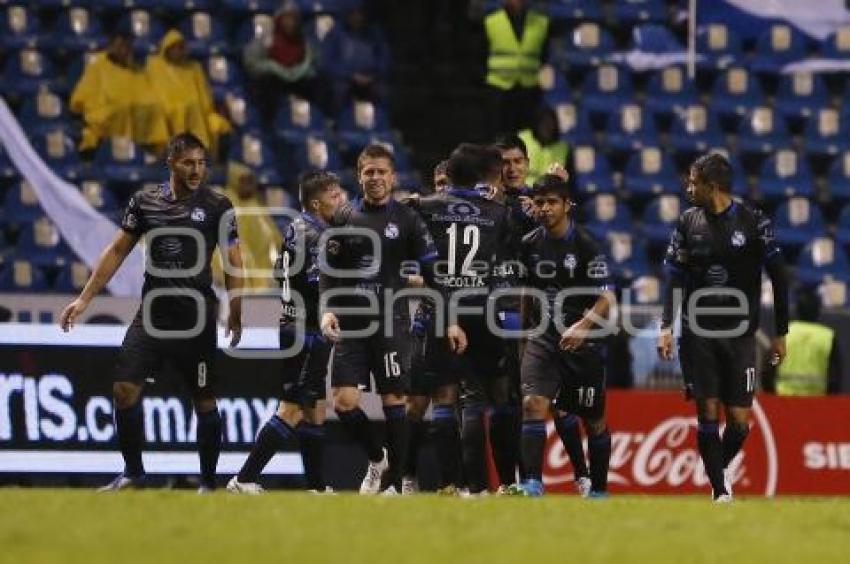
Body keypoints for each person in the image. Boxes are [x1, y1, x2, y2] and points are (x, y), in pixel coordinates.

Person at [59, 133, 243, 492]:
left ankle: (208, 484)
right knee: (124, 388)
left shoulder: (220, 206)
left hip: (197, 318)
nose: (197, 170)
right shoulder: (144, 202)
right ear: (171, 162)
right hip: (153, 315)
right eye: (189, 162)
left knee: (204, 399)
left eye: (202, 163)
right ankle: (134, 474)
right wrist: (84, 299)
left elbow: (235, 262)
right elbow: (116, 251)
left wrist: (237, 309)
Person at [319, 144, 464, 495]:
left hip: (391, 322)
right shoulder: (343, 217)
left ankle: (395, 484)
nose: (376, 178)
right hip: (353, 322)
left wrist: (449, 320)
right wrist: (327, 309)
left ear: (393, 176)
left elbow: (435, 275)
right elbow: (327, 270)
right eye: (369, 172)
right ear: (359, 176)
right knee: (344, 402)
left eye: (382, 171)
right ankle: (377, 458)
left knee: (394, 401)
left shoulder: (407, 219)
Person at [657, 153, 789, 503]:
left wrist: (781, 332)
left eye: (693, 182)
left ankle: (714, 467)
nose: (687, 187)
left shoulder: (754, 221)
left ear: (711, 186)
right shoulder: (687, 222)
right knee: (707, 412)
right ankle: (720, 491)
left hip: (741, 334)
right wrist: (666, 325)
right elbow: (674, 278)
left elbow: (780, 277)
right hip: (698, 333)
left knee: (740, 422)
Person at [403, 144, 515, 495]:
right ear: (481, 177)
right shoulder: (497, 212)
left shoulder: (424, 206)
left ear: (447, 177)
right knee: (497, 395)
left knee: (444, 399)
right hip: (483, 310)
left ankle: (450, 485)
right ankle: (506, 483)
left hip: (442, 309)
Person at [228, 171, 344, 494]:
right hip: (306, 330)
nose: (342, 200)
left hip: (293, 325)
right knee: (292, 409)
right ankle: (245, 478)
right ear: (318, 203)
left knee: (315, 409)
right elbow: (320, 284)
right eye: (335, 196)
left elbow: (281, 274)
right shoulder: (322, 237)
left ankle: (317, 488)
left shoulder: (294, 227)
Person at [515, 175, 615, 497]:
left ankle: (598, 489)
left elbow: (607, 298)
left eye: (552, 202)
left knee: (594, 420)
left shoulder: (586, 244)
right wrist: (524, 333)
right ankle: (532, 483)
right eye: (540, 202)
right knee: (533, 404)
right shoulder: (529, 244)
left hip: (583, 344)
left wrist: (583, 327)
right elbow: (527, 292)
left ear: (567, 205)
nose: (545, 209)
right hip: (543, 338)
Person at [70, 30, 169, 152]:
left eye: (127, 46)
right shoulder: (97, 66)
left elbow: (148, 94)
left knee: (156, 109)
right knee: (120, 110)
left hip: (134, 115)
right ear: (111, 47)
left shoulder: (136, 69)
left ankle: (153, 152)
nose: (124, 50)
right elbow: (80, 99)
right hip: (105, 114)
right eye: (120, 46)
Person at [146, 29, 231, 160]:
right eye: (175, 48)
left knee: (217, 124)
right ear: (167, 49)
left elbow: (204, 96)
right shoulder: (154, 66)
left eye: (181, 48)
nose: (179, 51)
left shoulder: (194, 67)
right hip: (165, 113)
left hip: (196, 114)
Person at [242, 0, 323, 122]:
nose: (290, 23)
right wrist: (272, 67)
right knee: (264, 84)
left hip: (297, 80)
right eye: (287, 18)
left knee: (318, 83)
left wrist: (304, 69)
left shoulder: (304, 41)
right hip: (275, 81)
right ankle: (267, 123)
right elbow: (251, 62)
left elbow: (315, 62)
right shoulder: (268, 39)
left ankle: (314, 122)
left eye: (293, 19)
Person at [212, 161, 283, 290]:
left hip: (265, 271)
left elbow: (274, 237)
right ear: (234, 181)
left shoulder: (255, 204)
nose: (248, 185)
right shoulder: (226, 203)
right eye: (243, 181)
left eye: (251, 181)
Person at [484, 0, 549, 137]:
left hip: (529, 88)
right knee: (499, 136)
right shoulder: (491, 21)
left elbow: (545, 55)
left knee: (526, 137)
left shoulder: (541, 22)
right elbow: (480, 53)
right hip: (499, 87)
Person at [765, 287, 841, 395]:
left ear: (797, 310)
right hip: (817, 400)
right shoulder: (827, 337)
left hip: (783, 397)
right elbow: (834, 375)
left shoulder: (784, 334)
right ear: (818, 311)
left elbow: (773, 362)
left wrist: (770, 391)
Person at [323, 5, 390, 112]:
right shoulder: (335, 33)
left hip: (372, 78)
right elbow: (328, 62)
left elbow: (384, 58)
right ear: (347, 15)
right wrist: (350, 76)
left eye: (360, 14)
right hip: (346, 79)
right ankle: (340, 123)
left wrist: (374, 75)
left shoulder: (375, 32)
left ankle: (381, 124)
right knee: (338, 89)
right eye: (353, 14)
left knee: (382, 91)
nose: (357, 17)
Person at [517, 106, 569, 186]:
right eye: (544, 123)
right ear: (537, 124)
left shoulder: (563, 147)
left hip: (548, 192)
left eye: (550, 124)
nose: (547, 128)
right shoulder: (522, 139)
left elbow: (560, 176)